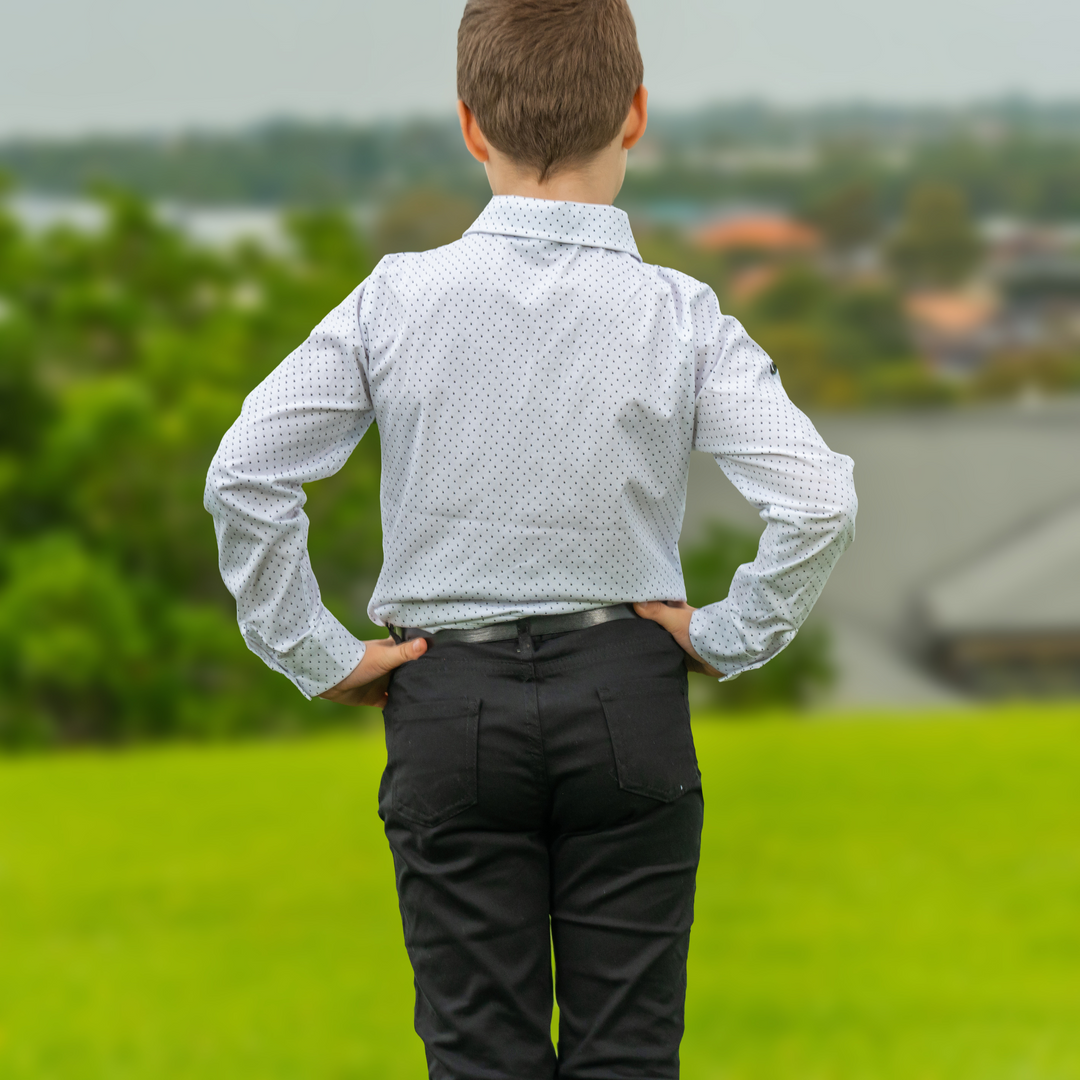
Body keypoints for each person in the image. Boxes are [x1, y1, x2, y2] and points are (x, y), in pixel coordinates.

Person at [205, 0, 857, 1075]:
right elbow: (818, 499)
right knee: (629, 1056)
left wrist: (316, 654)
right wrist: (732, 634)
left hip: (444, 699)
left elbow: (246, 473)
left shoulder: (392, 302)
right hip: (628, 693)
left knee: (477, 1059)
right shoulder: (682, 314)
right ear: (636, 113)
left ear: (471, 125)